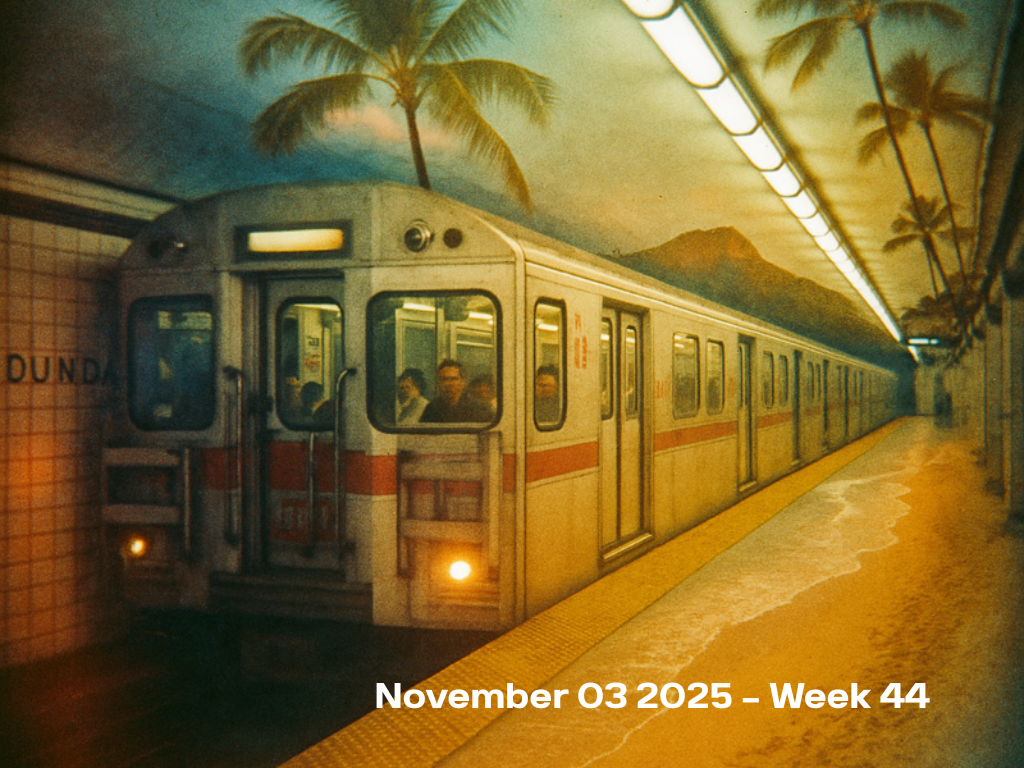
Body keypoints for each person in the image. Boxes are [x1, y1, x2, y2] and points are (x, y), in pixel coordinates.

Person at [420, 359, 492, 423]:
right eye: (444, 379)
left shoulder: (479, 408)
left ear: (463, 383)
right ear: (438, 383)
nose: (448, 384)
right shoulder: (432, 409)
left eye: (453, 379)